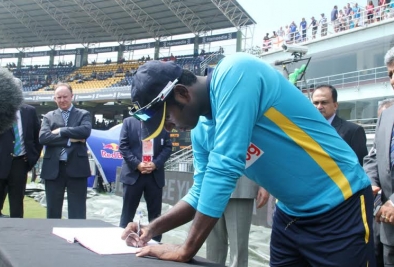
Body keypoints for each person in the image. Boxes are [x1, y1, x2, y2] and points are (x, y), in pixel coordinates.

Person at [122, 53, 375, 266]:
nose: (169, 129)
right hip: (290, 217)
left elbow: (225, 166)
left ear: (182, 93)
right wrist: (152, 229)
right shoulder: (202, 131)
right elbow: (200, 191)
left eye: (167, 119)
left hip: (340, 207)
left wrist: (186, 249)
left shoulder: (236, 72)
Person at [39, 83, 92, 219]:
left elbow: (85, 131)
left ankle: (78, 237)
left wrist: (61, 131)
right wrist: (70, 139)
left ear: (72, 96)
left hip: (77, 168)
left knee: (78, 211)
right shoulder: (48, 116)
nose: (62, 100)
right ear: (54, 98)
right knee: (52, 210)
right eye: (59, 97)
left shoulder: (83, 114)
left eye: (65, 97)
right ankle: (52, 238)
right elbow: (43, 138)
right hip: (53, 170)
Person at [0, 77, 42, 218]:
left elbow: (36, 137)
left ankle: (17, 235)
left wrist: (31, 158)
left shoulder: (30, 111)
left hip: (20, 163)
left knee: (17, 203)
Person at [363, 46, 394, 267]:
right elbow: (373, 158)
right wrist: (371, 182)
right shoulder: (387, 116)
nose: (393, 79)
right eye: (390, 74)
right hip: (388, 228)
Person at [118, 116, 172, 242]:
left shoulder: (162, 122)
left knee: (155, 216)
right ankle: (122, 242)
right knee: (127, 215)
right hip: (133, 174)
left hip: (154, 176)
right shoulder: (129, 122)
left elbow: (168, 147)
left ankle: (156, 244)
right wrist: (137, 164)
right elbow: (123, 146)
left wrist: (155, 164)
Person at [206, 177, 269, 267]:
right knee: (213, 248)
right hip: (211, 184)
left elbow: (264, 162)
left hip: (241, 186)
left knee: (238, 250)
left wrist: (264, 183)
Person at [311, 84, 368, 165]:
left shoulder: (353, 131)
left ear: (335, 105)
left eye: (324, 102)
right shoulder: (307, 129)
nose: (319, 107)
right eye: (316, 103)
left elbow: (361, 165)